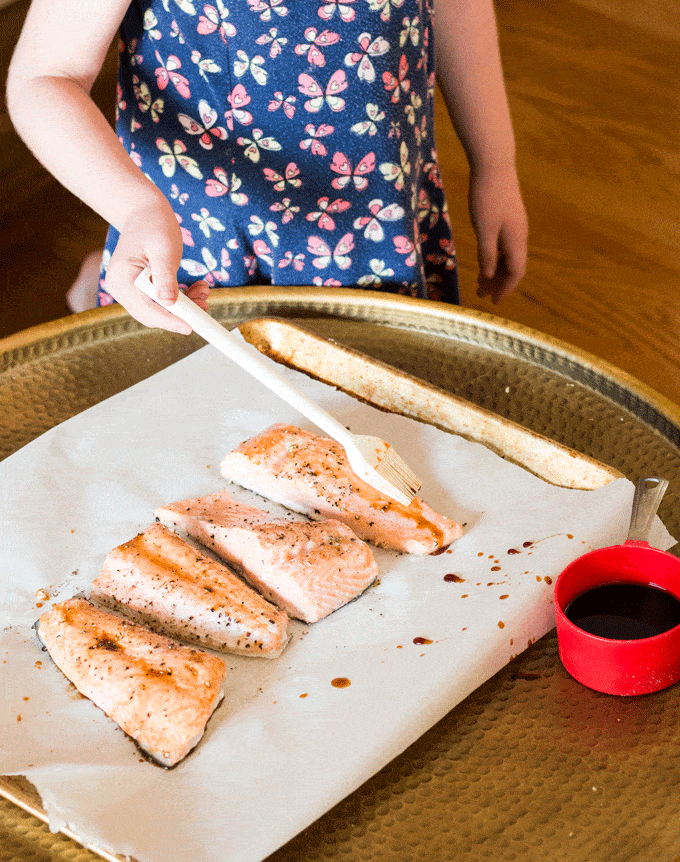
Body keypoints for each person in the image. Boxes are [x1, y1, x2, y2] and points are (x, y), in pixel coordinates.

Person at [7, 0, 527, 335]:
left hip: (379, 217)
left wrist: (495, 163)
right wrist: (133, 207)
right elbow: (46, 76)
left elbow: (460, 8)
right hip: (209, 232)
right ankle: (95, 285)